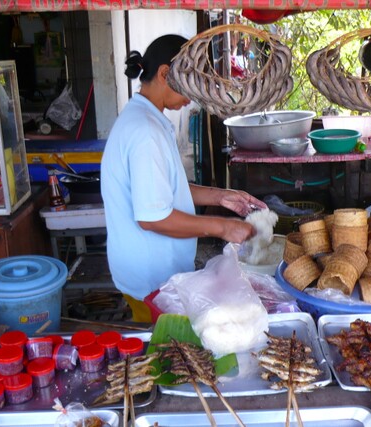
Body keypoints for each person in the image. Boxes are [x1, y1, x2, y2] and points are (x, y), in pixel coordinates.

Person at [101, 34, 267, 323]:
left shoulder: (147, 119)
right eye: (190, 88)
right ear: (165, 73)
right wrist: (222, 228)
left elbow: (167, 188)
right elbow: (153, 217)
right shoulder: (144, 133)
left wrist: (220, 196)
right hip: (151, 282)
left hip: (154, 274)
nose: (190, 99)